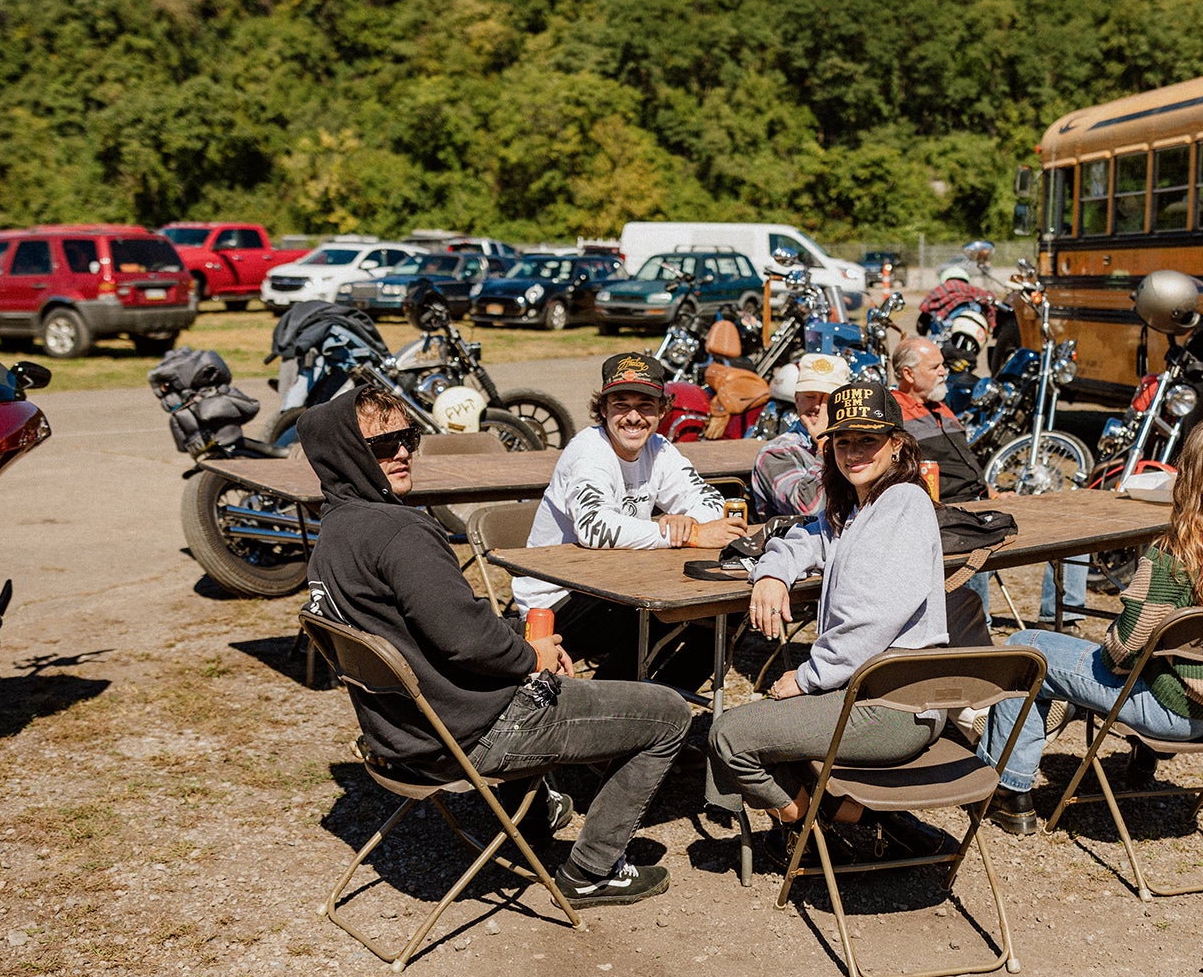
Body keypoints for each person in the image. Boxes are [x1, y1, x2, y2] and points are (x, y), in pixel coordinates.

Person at [299, 385, 691, 907]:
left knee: (540, 654)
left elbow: (447, 634)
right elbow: (467, 644)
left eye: (408, 437)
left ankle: (529, 820)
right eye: (382, 444)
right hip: (473, 735)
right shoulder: (399, 532)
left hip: (401, 737)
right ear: (345, 453)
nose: (401, 452)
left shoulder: (333, 533)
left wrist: (522, 648)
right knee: (667, 713)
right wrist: (532, 655)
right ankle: (593, 870)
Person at [971, 419, 1203, 836]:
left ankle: (1009, 793)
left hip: (1174, 714)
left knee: (1026, 647)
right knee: (1163, 658)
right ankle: (1143, 760)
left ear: (1188, 477)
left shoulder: (1177, 555)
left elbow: (1121, 652)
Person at [709, 382, 954, 862]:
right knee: (766, 721)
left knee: (728, 735)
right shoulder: (858, 506)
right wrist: (773, 574)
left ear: (897, 445)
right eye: (843, 441)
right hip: (867, 692)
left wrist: (806, 678)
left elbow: (872, 621)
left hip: (897, 706)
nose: (854, 452)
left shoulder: (903, 503)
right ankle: (857, 818)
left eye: (868, 440)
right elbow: (806, 537)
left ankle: (805, 823)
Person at [512, 352, 747, 681]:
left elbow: (710, 501)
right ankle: (613, 706)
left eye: (646, 405)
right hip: (557, 599)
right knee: (655, 610)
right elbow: (594, 528)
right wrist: (683, 534)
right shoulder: (588, 451)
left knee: (728, 606)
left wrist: (688, 523)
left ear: (662, 411)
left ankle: (659, 702)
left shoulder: (660, 450)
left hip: (617, 582)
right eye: (621, 404)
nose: (633, 417)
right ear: (604, 408)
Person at [890, 335, 1088, 624]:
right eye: (935, 367)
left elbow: (965, 465)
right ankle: (975, 630)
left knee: (1073, 526)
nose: (945, 372)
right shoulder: (894, 413)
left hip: (983, 503)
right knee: (973, 545)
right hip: (948, 511)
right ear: (908, 374)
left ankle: (1064, 618)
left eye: (943, 365)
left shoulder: (940, 408)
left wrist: (993, 492)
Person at [749, 351, 851, 520]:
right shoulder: (775, 453)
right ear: (797, 399)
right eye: (810, 397)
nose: (818, 406)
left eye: (829, 399)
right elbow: (810, 511)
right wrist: (824, 446)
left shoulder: (856, 446)